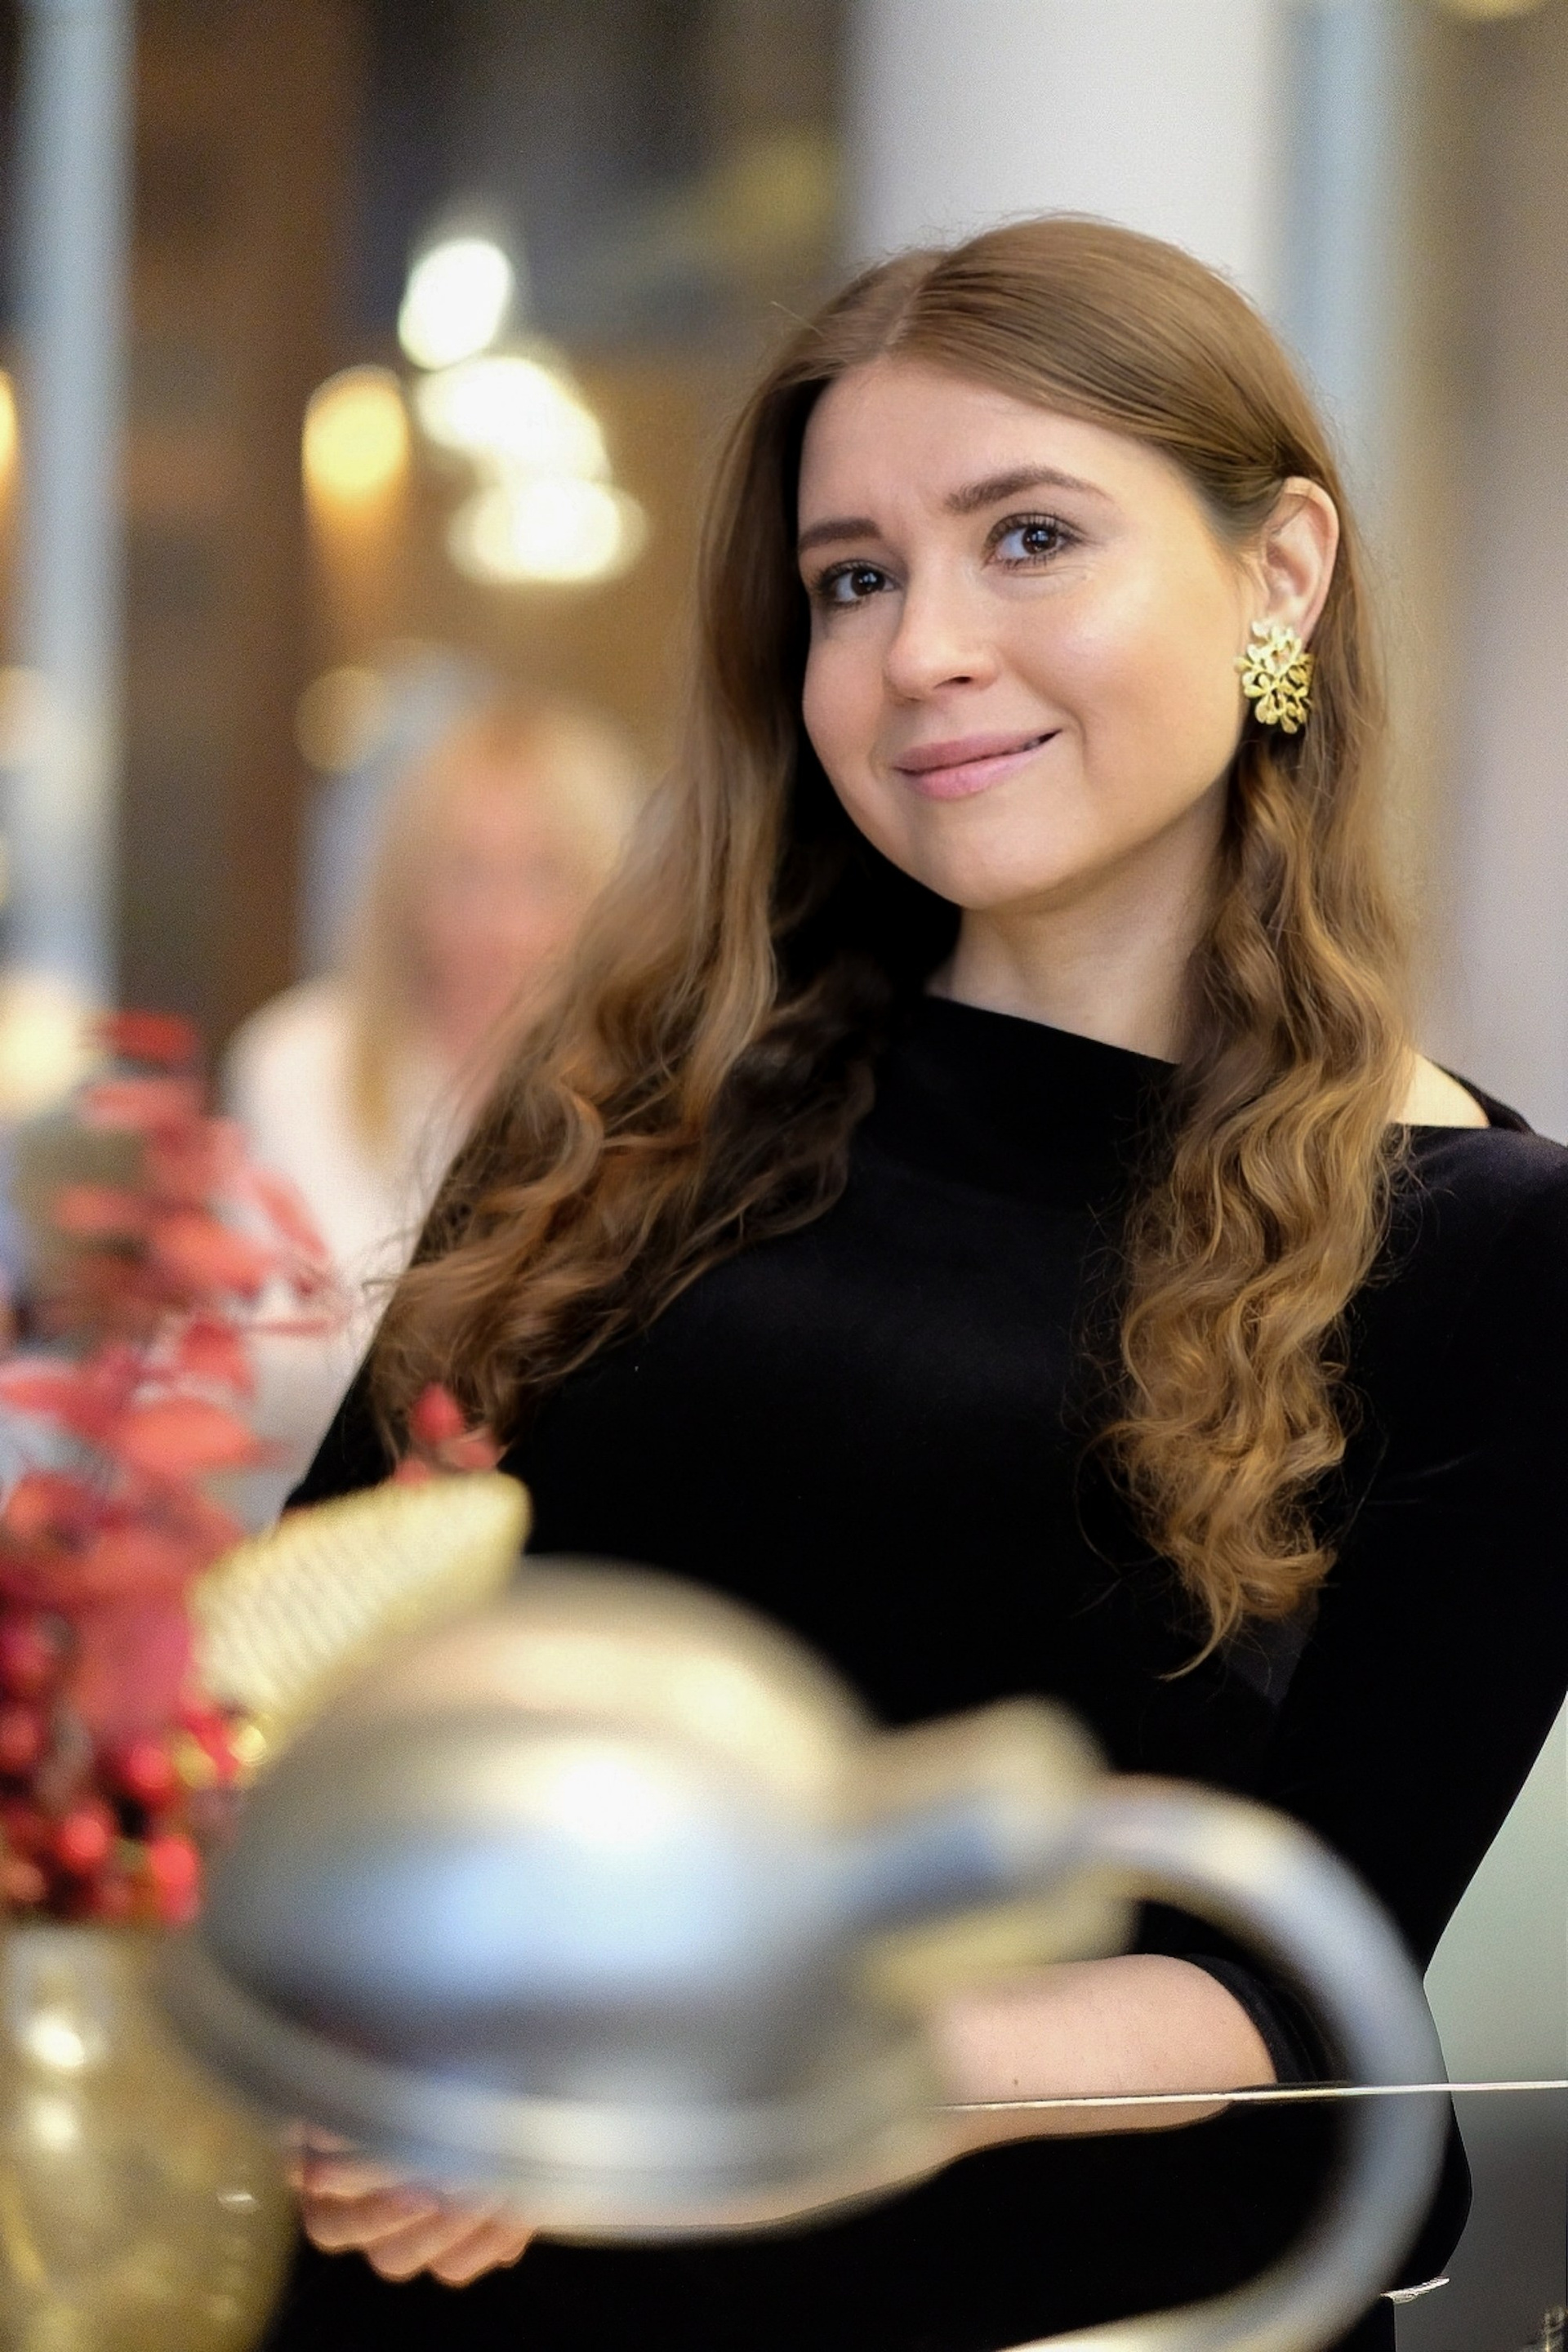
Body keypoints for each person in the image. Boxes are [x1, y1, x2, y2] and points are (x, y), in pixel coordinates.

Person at [263, 218, 1568, 2352]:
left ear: (1280, 574)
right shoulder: (625, 1108)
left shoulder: (1492, 1245)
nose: (924, 649)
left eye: (1028, 537)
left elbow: (1288, 1979)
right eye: (854, 578)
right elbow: (297, 1670)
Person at [226, 688, 642, 1501]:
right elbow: (256, 1351)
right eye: (464, 872)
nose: (501, 924)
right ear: (405, 887)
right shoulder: (297, 1062)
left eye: (544, 876)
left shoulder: (648, 1097)